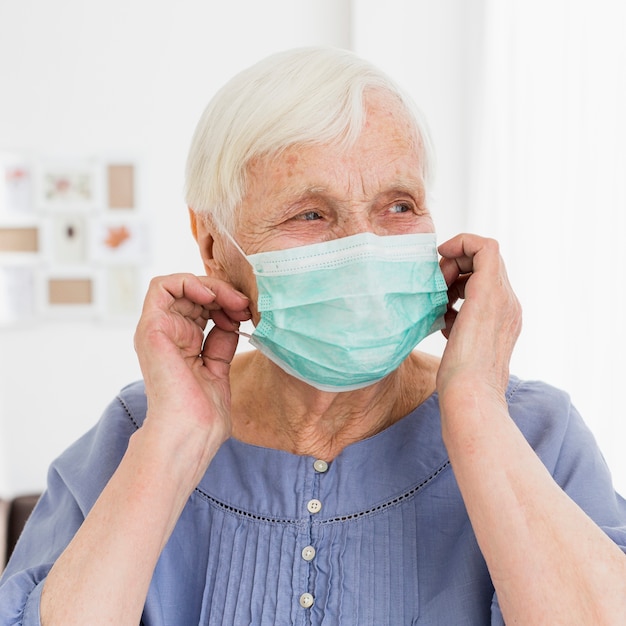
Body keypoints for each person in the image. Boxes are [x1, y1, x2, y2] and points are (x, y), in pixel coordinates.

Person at [2, 46, 626, 626]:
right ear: (214, 245)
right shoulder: (135, 434)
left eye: (399, 205)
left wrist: (474, 412)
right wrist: (174, 442)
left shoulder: (538, 432)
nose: (364, 247)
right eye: (310, 213)